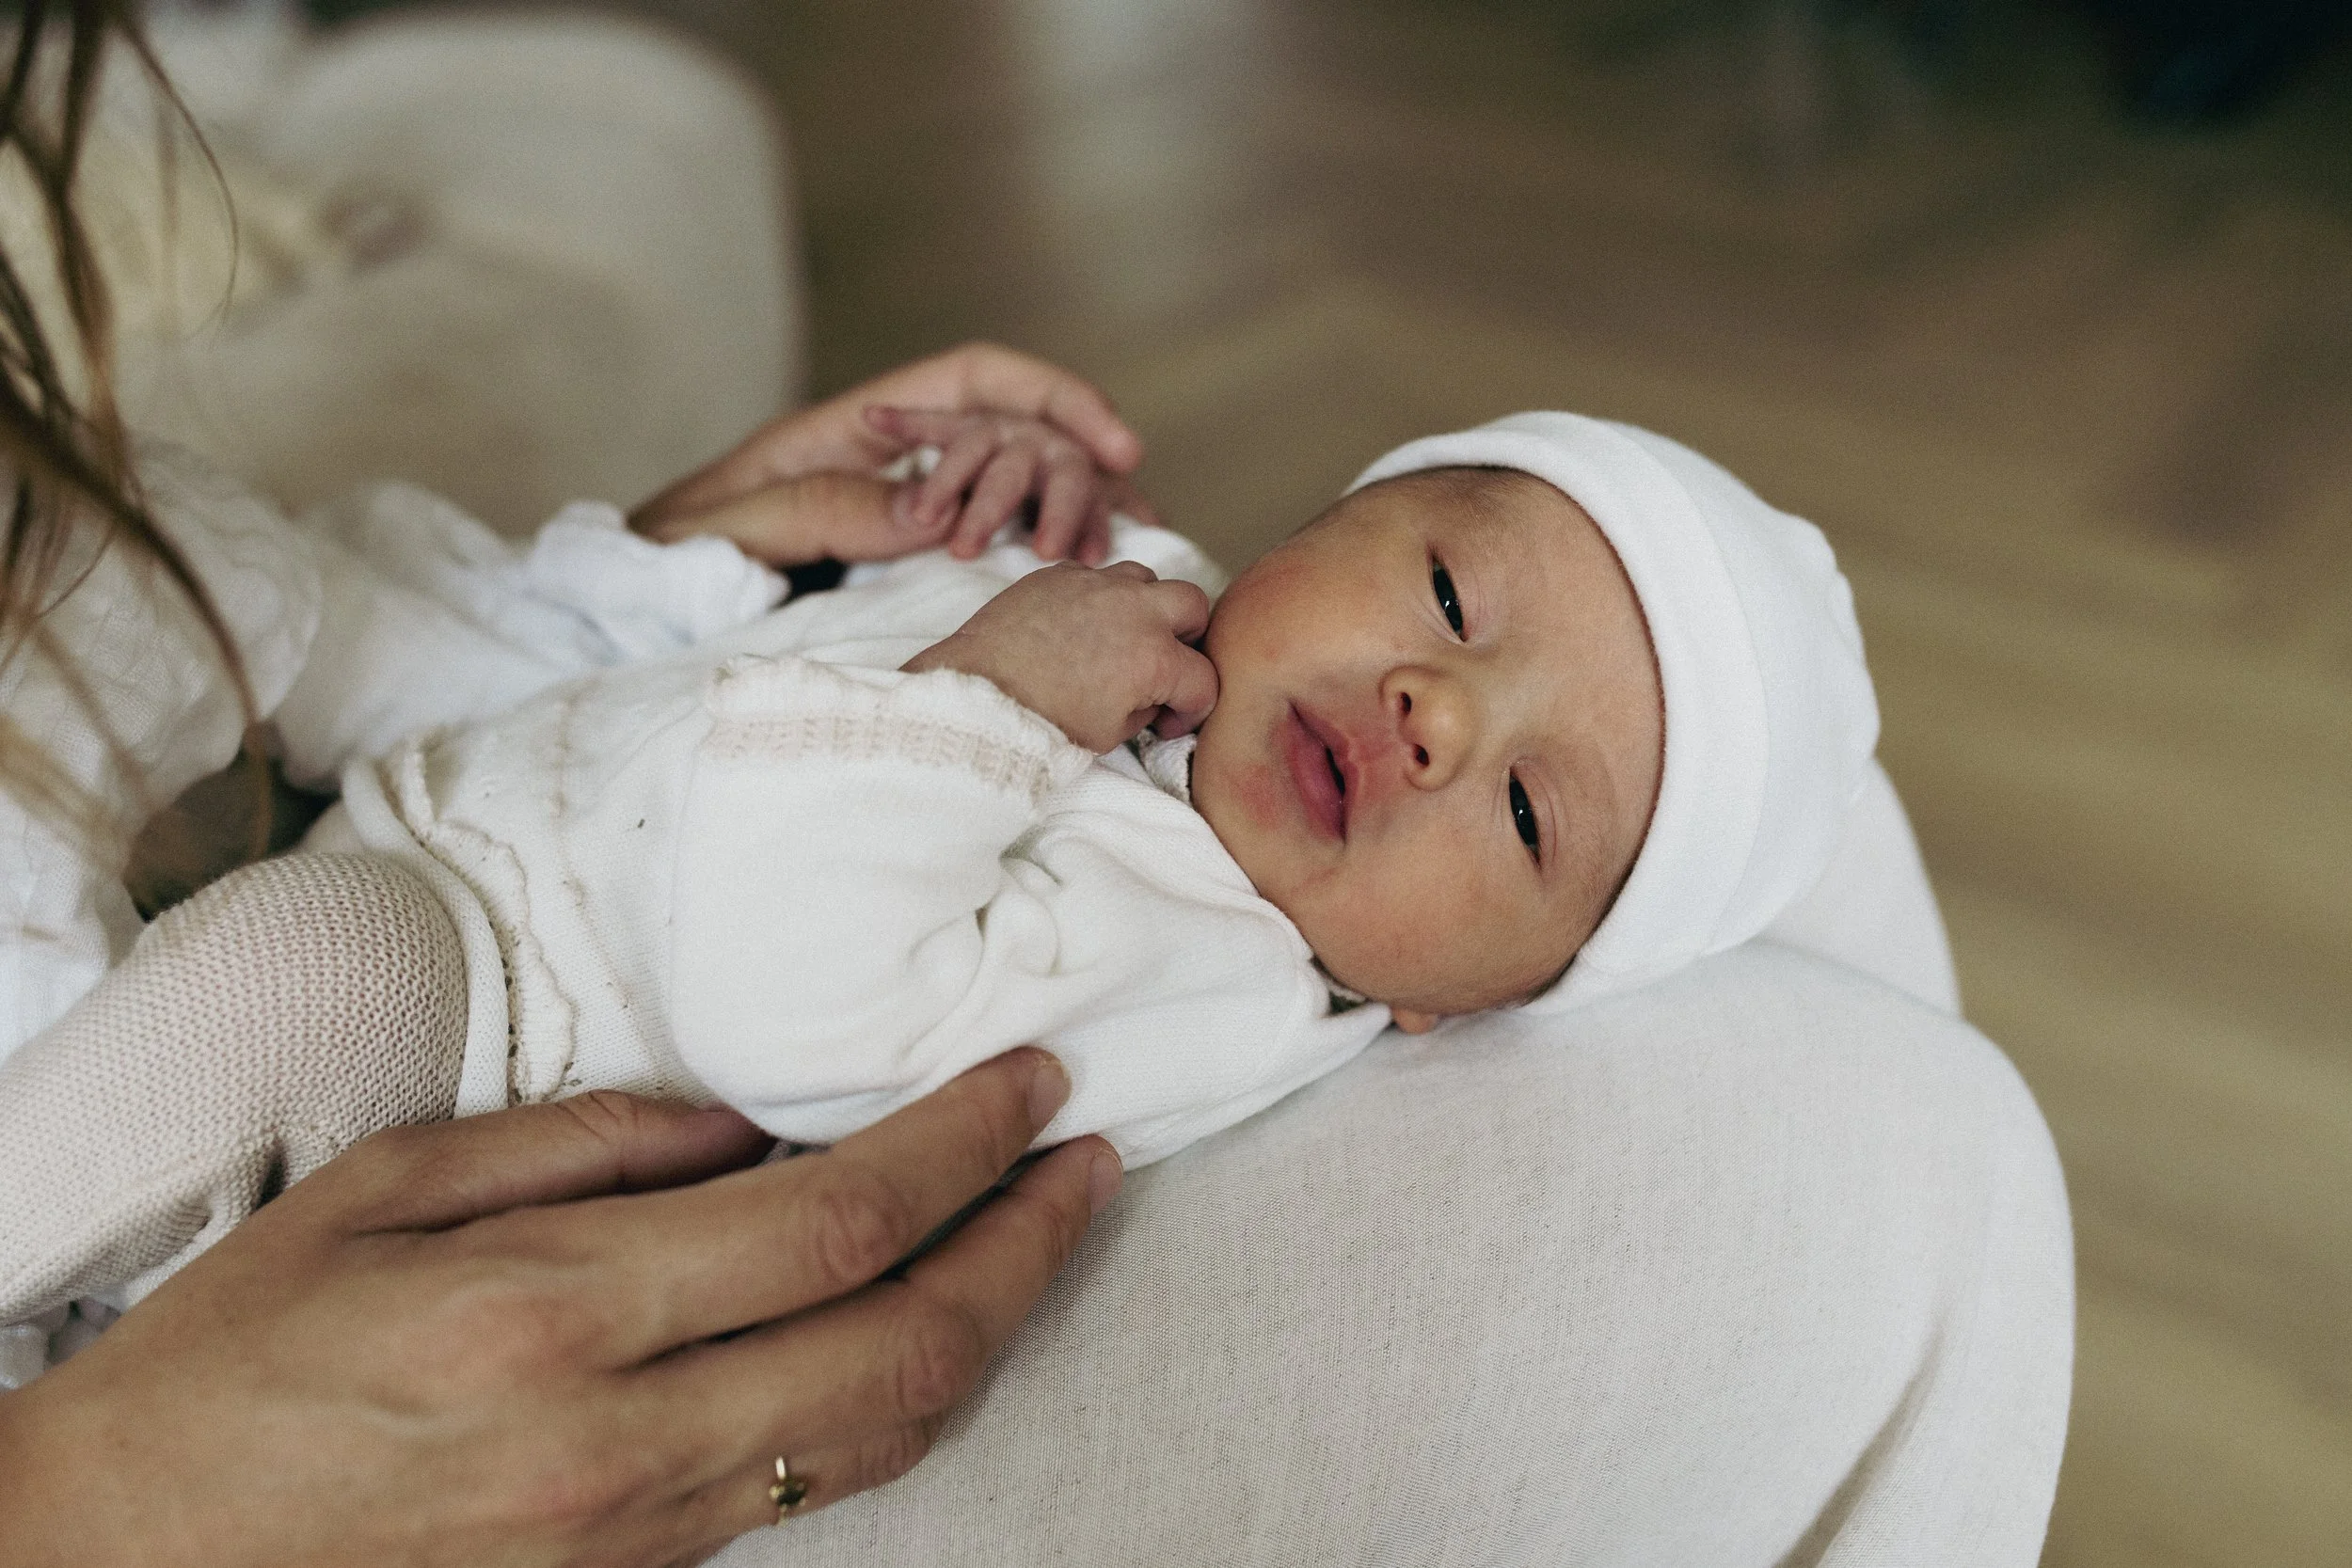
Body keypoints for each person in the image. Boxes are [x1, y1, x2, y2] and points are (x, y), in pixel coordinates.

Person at [2, 8, 2074, 1563]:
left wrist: (925, 665)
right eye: (1447, 592)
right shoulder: (1133, 602)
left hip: (476, 1031)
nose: (1439, 714)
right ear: (1320, 516)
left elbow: (797, 1007)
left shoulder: (1214, 963)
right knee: (1889, 998)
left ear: (1451, 1014)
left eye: (1528, 819)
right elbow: (680, 681)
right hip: (437, 856)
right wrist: (835, 581)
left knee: (294, 967)